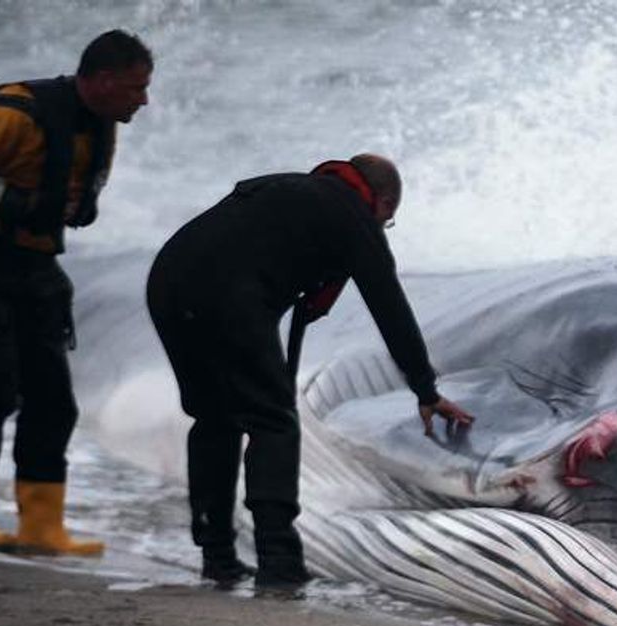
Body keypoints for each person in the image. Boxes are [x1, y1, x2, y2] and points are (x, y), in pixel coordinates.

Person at [146, 154, 473, 587]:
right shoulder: (353, 215)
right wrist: (426, 390)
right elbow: (389, 306)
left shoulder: (291, 191)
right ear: (383, 202)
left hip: (168, 280)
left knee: (215, 419)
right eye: (387, 221)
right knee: (273, 421)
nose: (382, 229)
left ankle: (217, 556)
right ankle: (279, 562)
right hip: (228, 296)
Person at [0, 30, 154, 556]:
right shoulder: (13, 111)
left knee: (54, 401)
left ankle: (41, 525)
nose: (143, 100)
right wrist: (19, 203)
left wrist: (73, 208)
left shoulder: (101, 124)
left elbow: (76, 195)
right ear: (102, 81)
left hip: (35, 261)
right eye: (135, 88)